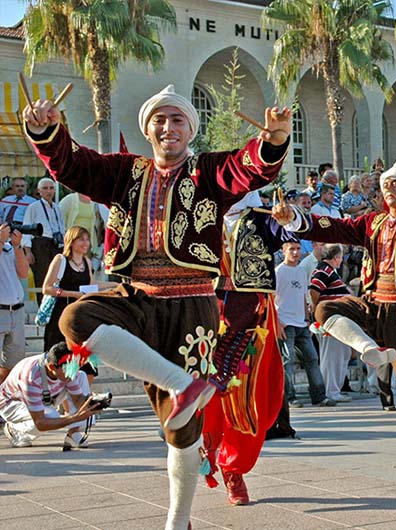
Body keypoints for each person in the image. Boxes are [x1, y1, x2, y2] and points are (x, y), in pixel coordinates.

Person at [23, 84, 291, 530]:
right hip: (137, 294)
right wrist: (45, 132)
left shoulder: (207, 171)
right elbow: (73, 164)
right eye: (160, 120)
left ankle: (177, 521)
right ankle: (183, 383)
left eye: (178, 120)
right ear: (148, 130)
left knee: (180, 431)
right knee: (75, 317)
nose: (168, 128)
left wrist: (275, 140)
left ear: (191, 129)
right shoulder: (124, 172)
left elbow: (247, 169)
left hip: (192, 305)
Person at [276, 159, 396, 467]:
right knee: (325, 308)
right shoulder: (373, 222)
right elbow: (334, 226)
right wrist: (295, 218)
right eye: (386, 186)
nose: (390, 191)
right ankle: (370, 349)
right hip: (373, 301)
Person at [202, 190, 299, 506]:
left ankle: (234, 469)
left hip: (252, 317)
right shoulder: (201, 217)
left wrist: (290, 218)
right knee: (204, 396)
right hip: (206, 315)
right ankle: (206, 451)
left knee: (246, 399)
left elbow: (284, 229)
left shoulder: (259, 218)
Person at [0, 342, 102, 449]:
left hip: (45, 396)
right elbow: (41, 423)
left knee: (81, 376)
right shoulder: (31, 377)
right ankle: (14, 429)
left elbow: (78, 399)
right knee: (50, 417)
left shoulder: (67, 367)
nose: (72, 373)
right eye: (68, 370)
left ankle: (73, 433)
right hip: (11, 403)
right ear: (52, 367)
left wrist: (92, 404)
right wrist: (74, 418)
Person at [275, 240, 330, 408]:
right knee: (287, 361)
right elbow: (270, 299)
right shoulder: (278, 272)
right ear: (284, 251)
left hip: (301, 323)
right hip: (286, 323)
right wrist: (277, 322)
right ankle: (289, 397)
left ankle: (319, 396)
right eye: (291, 249)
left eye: (298, 249)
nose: (296, 252)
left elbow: (303, 297)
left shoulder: (301, 271)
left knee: (312, 358)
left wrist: (307, 320)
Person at [41, 226, 98, 353]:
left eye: (87, 239)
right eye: (81, 239)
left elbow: (92, 284)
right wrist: (72, 294)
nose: (86, 243)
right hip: (60, 314)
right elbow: (47, 288)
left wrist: (114, 285)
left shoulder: (87, 262)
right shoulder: (60, 260)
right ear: (71, 241)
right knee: (59, 356)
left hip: (80, 314)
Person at [310, 243, 355, 404]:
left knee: (342, 353)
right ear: (336, 257)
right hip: (330, 319)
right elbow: (314, 290)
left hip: (337, 318)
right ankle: (331, 390)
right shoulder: (323, 270)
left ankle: (335, 389)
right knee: (332, 355)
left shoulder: (329, 271)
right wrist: (317, 310)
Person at [21, 178, 65, 305]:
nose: (49, 191)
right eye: (45, 188)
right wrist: (28, 252)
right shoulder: (33, 207)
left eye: (51, 188)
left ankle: (55, 306)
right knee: (42, 277)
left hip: (56, 244)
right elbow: (27, 229)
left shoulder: (57, 207)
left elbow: (62, 228)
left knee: (57, 276)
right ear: (39, 191)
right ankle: (42, 307)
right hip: (40, 244)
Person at [0, 223, 29, 385]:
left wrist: (17, 246)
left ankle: (4, 402)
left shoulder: (9, 247)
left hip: (16, 312)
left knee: (13, 366)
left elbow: (24, 273)